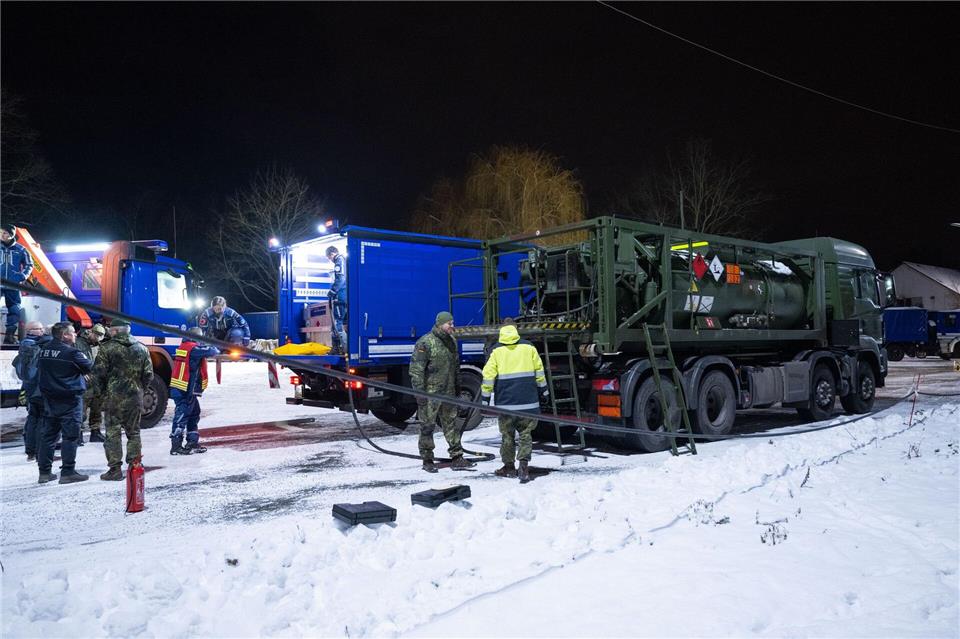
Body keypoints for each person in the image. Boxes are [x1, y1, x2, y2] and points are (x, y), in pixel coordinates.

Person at [480, 322, 548, 484]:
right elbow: (540, 372)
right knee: (526, 434)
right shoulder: (529, 349)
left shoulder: (496, 352)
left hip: (506, 404)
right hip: (528, 403)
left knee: (507, 435)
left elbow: (488, 377)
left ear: (501, 335)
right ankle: (523, 467)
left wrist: (485, 399)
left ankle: (509, 467)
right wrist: (544, 392)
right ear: (516, 333)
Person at [409, 311, 475, 473]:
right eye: (449, 323)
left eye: (453, 323)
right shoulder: (425, 342)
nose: (452, 326)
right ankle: (427, 459)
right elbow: (416, 370)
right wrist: (419, 393)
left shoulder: (451, 341)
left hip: (449, 392)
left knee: (451, 424)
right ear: (440, 324)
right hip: (430, 394)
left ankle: (457, 456)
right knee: (427, 426)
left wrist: (458, 387)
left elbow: (456, 366)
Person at [93, 318, 153, 481]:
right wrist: (141, 389)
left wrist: (101, 394)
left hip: (114, 398)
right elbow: (148, 375)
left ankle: (115, 470)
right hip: (135, 397)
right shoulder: (142, 348)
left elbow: (98, 374)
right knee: (133, 432)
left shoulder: (107, 348)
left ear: (115, 331)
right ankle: (134, 465)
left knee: (113, 432)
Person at [36, 322, 92, 484]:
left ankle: (44, 473)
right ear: (65, 335)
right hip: (70, 400)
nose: (75, 335)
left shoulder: (44, 350)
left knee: (48, 437)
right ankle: (68, 472)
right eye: (73, 332)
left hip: (50, 400)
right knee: (70, 437)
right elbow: (90, 367)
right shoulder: (72, 353)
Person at [169, 327, 219, 455]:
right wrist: (214, 344)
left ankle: (192, 442)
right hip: (184, 389)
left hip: (183, 387)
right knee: (182, 416)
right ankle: (176, 446)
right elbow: (212, 351)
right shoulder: (193, 348)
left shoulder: (185, 346)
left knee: (194, 413)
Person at [14, 321, 50, 461]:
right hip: (38, 389)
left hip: (29, 388)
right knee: (41, 419)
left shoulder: (24, 345)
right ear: (31, 330)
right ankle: (40, 451)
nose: (42, 331)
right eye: (39, 329)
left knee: (32, 419)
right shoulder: (34, 346)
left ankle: (30, 451)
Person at [0, 223, 35, 345]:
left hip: (13, 284)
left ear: (10, 235)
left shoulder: (21, 249)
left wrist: (22, 276)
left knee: (14, 308)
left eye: (4, 233)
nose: (1, 235)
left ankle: (9, 335)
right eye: (0, 232)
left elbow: (30, 264)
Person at [75, 324, 107, 444]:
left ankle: (95, 432)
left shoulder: (99, 346)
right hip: (84, 382)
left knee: (97, 409)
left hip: (97, 382)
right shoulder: (78, 343)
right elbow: (73, 360)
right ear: (91, 332)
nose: (98, 338)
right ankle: (78, 434)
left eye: (101, 336)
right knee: (81, 410)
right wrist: (81, 372)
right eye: (97, 335)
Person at [326, 246, 348, 355]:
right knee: (337, 323)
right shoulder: (343, 260)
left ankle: (344, 348)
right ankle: (337, 347)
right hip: (343, 296)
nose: (330, 259)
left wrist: (333, 291)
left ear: (332, 253)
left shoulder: (339, 260)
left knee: (337, 323)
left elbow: (340, 278)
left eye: (329, 257)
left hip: (340, 297)